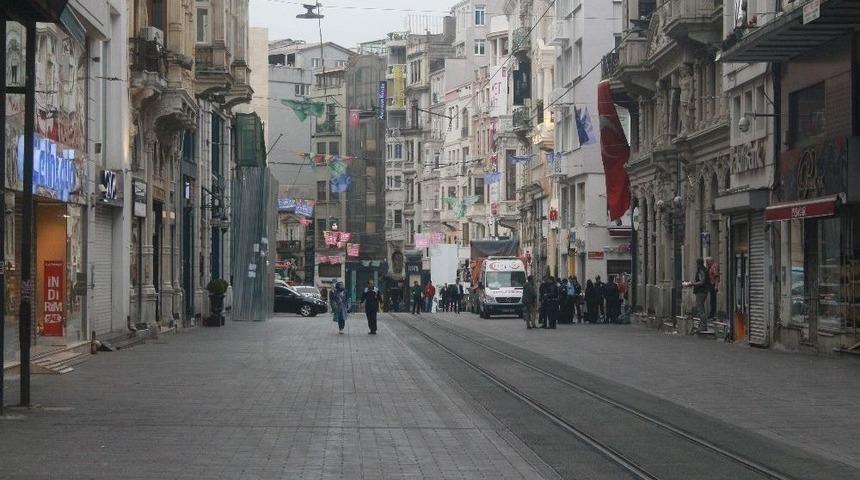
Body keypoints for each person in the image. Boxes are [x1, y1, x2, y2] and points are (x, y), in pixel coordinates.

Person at [693, 258, 711, 331]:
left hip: (701, 291)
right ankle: (702, 325)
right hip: (704, 291)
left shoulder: (701, 270)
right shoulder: (705, 269)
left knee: (700, 309)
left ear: (698, 264)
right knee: (701, 308)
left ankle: (703, 326)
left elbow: (702, 281)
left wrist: (693, 284)